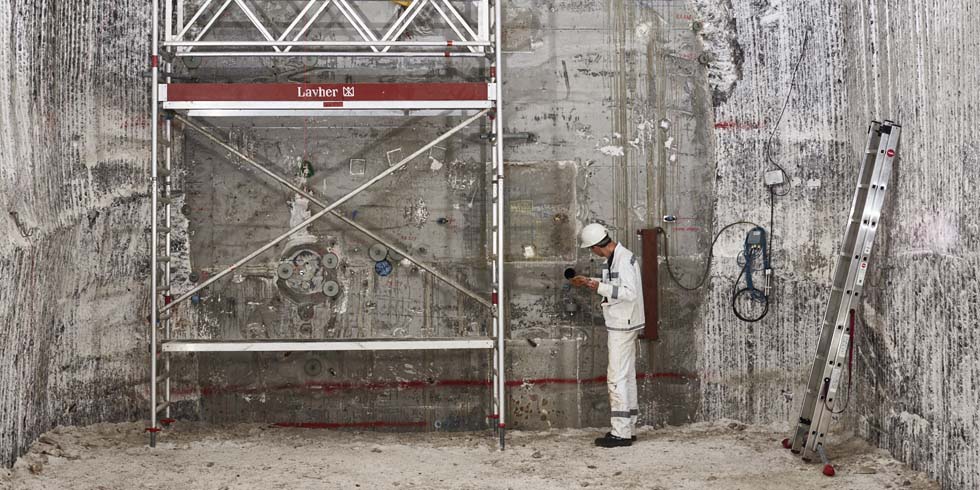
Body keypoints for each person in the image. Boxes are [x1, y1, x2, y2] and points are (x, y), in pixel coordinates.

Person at [570, 223, 644, 447]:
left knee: (616, 378)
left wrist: (597, 286)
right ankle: (628, 426)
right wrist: (594, 283)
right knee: (627, 375)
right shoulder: (618, 258)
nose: (591, 253)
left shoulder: (622, 260)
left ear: (595, 246)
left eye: (590, 249)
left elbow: (628, 293)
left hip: (623, 324)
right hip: (626, 322)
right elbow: (618, 287)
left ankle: (620, 433)